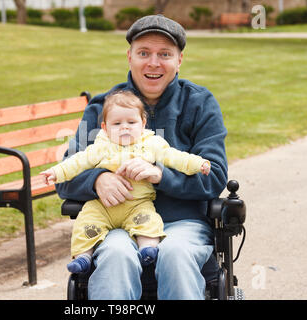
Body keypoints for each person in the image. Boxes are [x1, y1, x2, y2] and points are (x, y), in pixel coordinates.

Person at [56, 14, 228, 300]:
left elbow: (215, 175)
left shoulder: (199, 103)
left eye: (165, 54)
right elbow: (66, 176)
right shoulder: (102, 108)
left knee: (174, 253)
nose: (153, 63)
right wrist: (97, 180)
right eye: (144, 53)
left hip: (182, 222)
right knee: (115, 255)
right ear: (129, 57)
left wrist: (161, 175)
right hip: (117, 224)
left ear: (179, 60)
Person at [41, 90, 211, 274]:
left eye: (131, 122)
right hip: (104, 206)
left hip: (137, 203)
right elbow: (77, 162)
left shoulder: (151, 144)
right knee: (86, 222)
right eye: (117, 124)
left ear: (143, 123)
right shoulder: (100, 147)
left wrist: (198, 163)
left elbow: (176, 157)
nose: (125, 128)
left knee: (148, 221)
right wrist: (56, 172)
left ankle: (148, 249)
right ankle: (83, 257)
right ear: (105, 128)